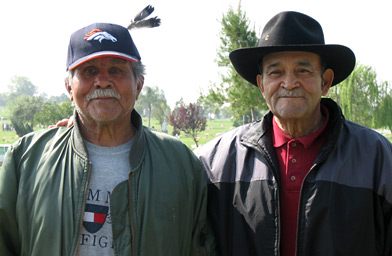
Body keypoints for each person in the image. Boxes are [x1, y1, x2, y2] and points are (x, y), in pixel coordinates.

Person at [0, 22, 216, 256]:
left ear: (139, 85)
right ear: (69, 88)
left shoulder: (180, 163)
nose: (102, 81)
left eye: (116, 70)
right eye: (89, 71)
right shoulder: (26, 159)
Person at [194, 11, 392, 256]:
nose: (289, 83)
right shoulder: (216, 162)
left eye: (303, 70)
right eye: (276, 72)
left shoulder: (377, 158)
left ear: (326, 81)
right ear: (261, 84)